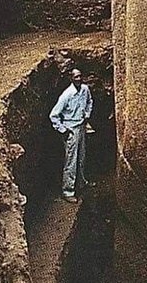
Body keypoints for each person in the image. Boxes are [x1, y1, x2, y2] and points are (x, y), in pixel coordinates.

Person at [49, 68, 95, 203]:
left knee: (81, 156)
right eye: (76, 77)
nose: (79, 79)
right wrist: (63, 130)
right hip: (71, 129)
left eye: (80, 76)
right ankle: (67, 191)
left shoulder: (85, 89)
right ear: (71, 79)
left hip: (81, 126)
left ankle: (81, 183)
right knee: (71, 160)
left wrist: (86, 115)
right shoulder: (66, 95)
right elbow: (53, 115)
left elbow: (89, 102)